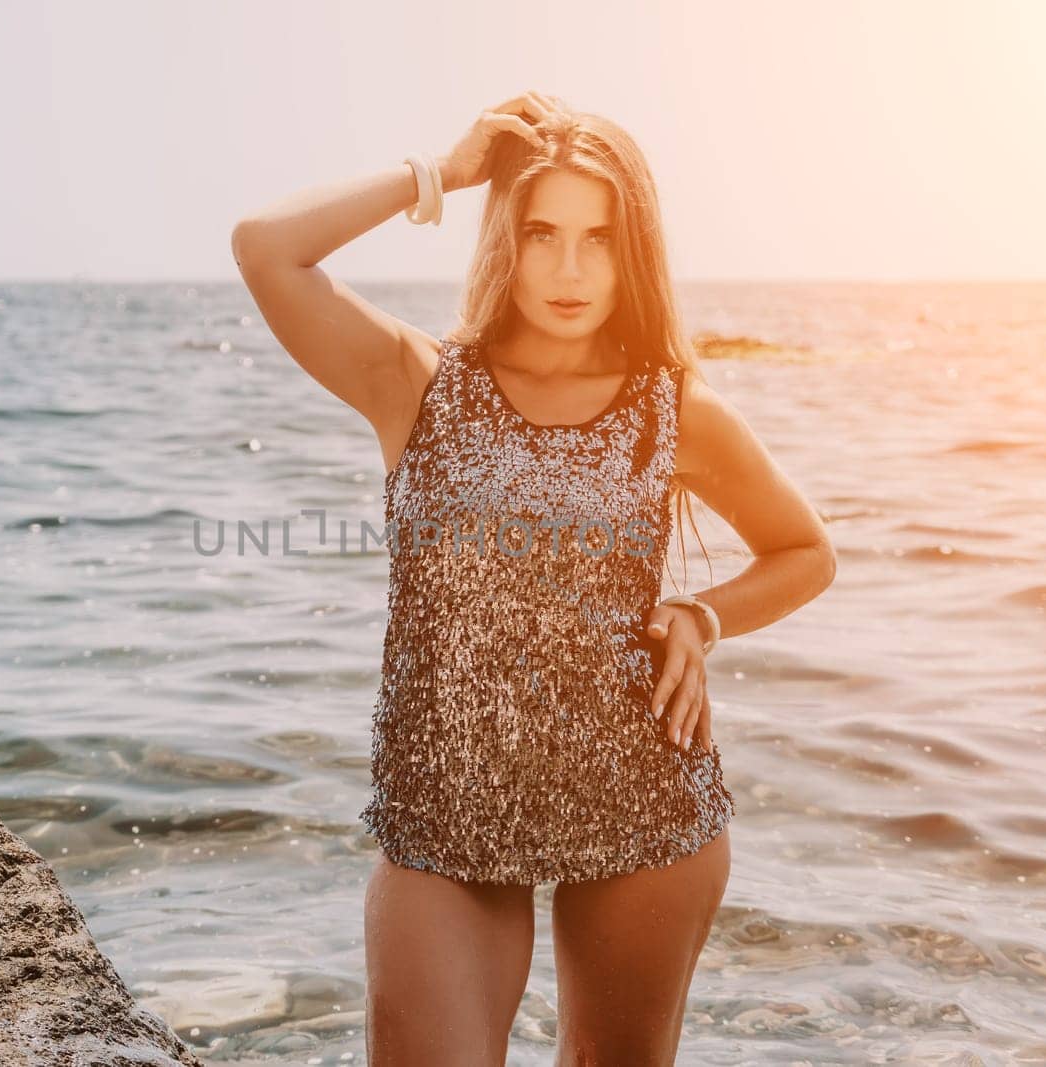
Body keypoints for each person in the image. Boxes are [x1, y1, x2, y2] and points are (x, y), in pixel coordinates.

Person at [230, 90, 836, 1067]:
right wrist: (443, 172)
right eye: (541, 231)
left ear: (631, 248)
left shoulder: (671, 409)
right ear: (505, 236)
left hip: (642, 803)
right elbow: (265, 246)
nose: (566, 268)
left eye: (597, 238)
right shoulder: (417, 384)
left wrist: (699, 615)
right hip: (444, 813)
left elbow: (805, 550)